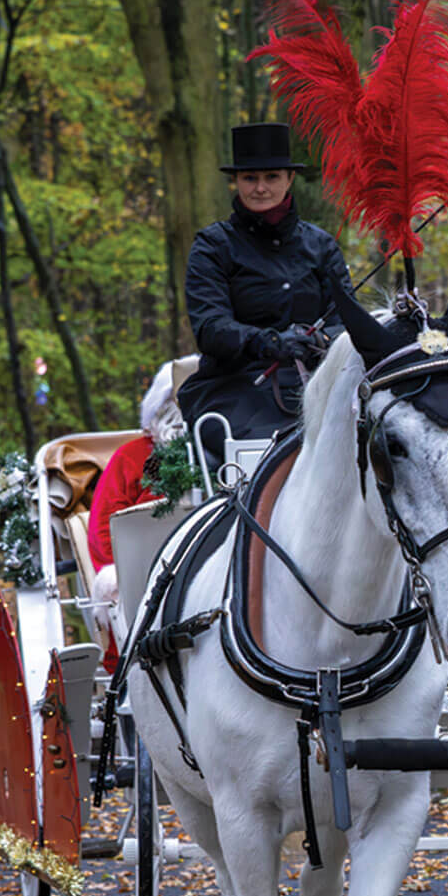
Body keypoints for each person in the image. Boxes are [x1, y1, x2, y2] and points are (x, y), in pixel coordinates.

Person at [178, 122, 350, 448]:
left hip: (318, 383)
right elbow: (211, 327)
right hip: (237, 388)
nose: (260, 188)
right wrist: (269, 342)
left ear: (289, 179)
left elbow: (347, 320)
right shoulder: (212, 247)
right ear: (237, 181)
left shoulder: (321, 246)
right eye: (250, 178)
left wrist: (321, 339)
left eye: (271, 177)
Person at [88, 367, 186, 607]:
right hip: (141, 579)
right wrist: (124, 573)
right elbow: (105, 525)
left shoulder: (215, 452)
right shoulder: (131, 457)